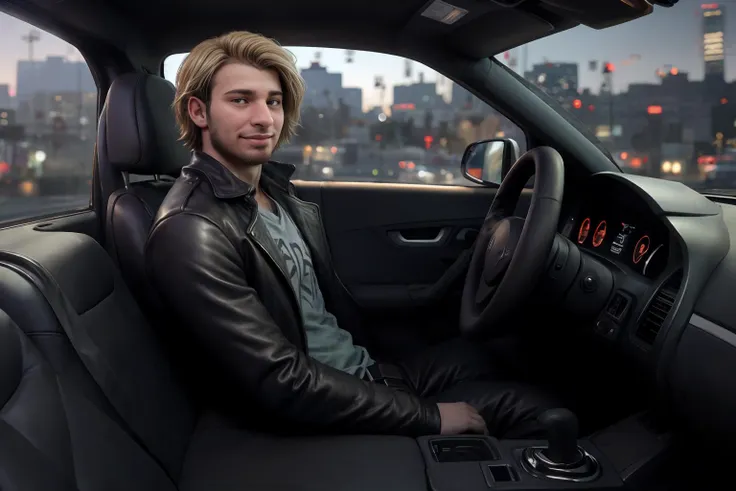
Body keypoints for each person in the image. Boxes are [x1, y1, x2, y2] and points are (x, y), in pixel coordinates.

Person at [146, 31, 559, 438]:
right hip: (313, 407)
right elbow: (279, 381)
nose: (264, 118)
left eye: (273, 101)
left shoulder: (271, 191)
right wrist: (430, 416)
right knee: (542, 415)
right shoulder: (192, 229)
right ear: (198, 112)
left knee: (503, 356)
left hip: (355, 373)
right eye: (240, 100)